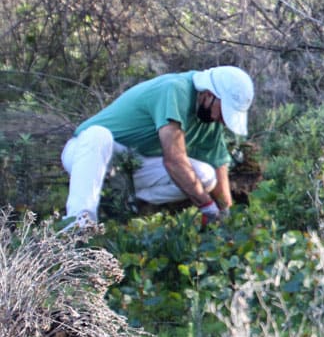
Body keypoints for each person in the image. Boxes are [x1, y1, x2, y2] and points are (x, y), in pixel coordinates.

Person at [60, 66, 255, 229]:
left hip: (133, 167)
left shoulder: (210, 120)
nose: (222, 120)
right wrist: (207, 206)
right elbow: (174, 161)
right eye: (222, 111)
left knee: (206, 175)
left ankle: (123, 203)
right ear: (209, 94)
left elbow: (219, 165)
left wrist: (225, 212)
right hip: (88, 151)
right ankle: (78, 229)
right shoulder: (175, 90)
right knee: (98, 135)